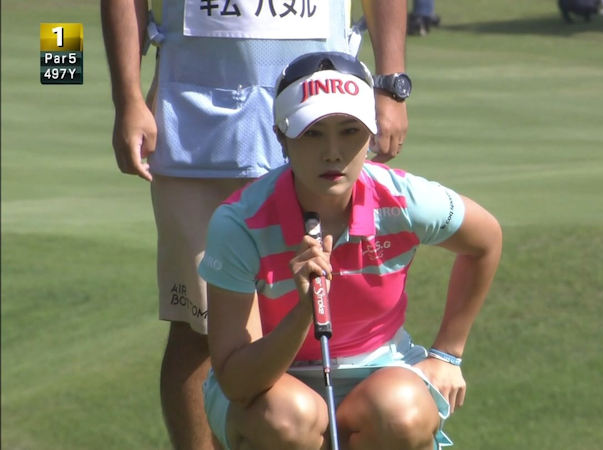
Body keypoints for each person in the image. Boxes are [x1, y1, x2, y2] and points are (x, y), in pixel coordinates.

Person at [100, 1, 410, 448]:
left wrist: (390, 84)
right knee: (200, 328)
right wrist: (127, 96)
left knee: (322, 322)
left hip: (324, 117)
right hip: (196, 126)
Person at [198, 51, 502, 449]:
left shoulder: (403, 199)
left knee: (402, 414)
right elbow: (238, 384)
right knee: (287, 419)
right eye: (312, 133)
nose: (333, 152)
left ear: (371, 135)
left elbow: (485, 240)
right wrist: (305, 312)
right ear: (282, 137)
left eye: (350, 131)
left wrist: (448, 354)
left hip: (381, 370)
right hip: (270, 387)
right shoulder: (240, 223)